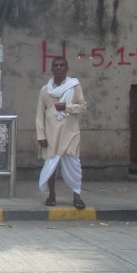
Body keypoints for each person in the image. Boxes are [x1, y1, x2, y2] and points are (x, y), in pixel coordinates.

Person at [36, 56, 88, 209]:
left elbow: (83, 106)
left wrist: (66, 107)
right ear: (51, 69)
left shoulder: (74, 86)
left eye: (62, 65)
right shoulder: (45, 90)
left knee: (74, 164)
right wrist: (41, 135)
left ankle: (77, 196)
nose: (59, 68)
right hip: (51, 133)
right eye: (56, 65)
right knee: (51, 165)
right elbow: (40, 115)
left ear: (67, 68)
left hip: (70, 133)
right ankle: (51, 195)